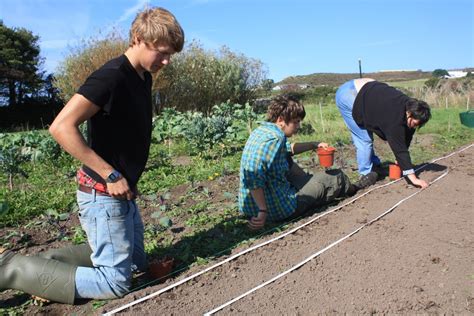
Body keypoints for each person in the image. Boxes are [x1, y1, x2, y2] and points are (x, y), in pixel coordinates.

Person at [0, 7, 184, 304]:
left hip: (122, 193)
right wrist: (111, 174)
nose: (166, 60)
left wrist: (127, 177)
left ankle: (48, 264)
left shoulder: (142, 77)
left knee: (136, 263)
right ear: (138, 38)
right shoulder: (110, 77)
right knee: (115, 284)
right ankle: (10, 268)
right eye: (162, 52)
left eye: (170, 54)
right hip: (102, 193)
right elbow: (61, 127)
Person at [239, 94, 358, 230]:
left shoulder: (262, 131)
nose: (298, 126)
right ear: (281, 120)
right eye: (295, 122)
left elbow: (289, 149)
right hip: (279, 209)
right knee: (336, 176)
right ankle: (356, 187)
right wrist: (263, 211)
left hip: (249, 208)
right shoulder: (275, 139)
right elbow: (252, 175)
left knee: (291, 163)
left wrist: (314, 144)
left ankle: (306, 184)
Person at [335, 78, 431, 189]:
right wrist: (413, 179)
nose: (414, 127)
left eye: (417, 125)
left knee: (369, 124)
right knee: (364, 138)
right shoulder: (394, 119)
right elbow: (399, 149)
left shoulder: (412, 107)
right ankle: (366, 174)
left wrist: (399, 160)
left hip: (367, 90)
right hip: (349, 95)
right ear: (409, 113)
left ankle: (375, 165)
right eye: (414, 123)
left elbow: (407, 135)